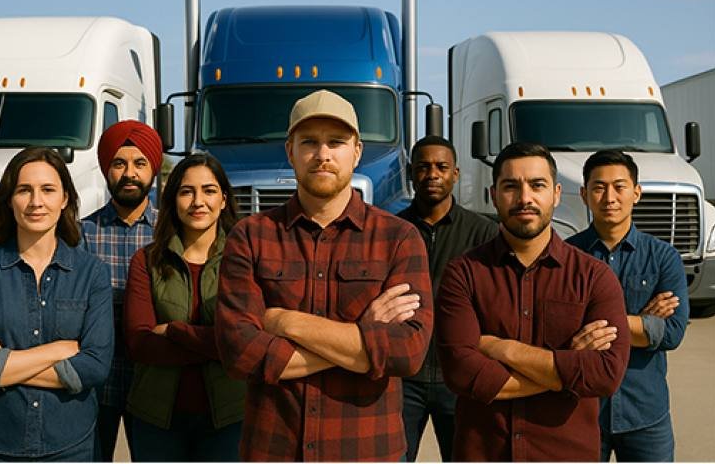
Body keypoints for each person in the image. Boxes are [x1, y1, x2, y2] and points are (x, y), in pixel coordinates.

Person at [216, 89, 433, 461]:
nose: (323, 155)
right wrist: (363, 338)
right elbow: (241, 354)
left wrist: (284, 321)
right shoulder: (251, 236)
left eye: (336, 142)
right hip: (274, 450)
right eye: (310, 142)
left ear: (357, 151)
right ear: (290, 151)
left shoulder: (398, 238)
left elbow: (407, 352)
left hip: (367, 450)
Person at [435, 141, 631, 461]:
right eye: (511, 186)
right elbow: (461, 372)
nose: (525, 198)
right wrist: (568, 369)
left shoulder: (595, 277)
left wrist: (502, 348)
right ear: (493, 195)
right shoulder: (463, 274)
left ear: (555, 194)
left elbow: (605, 374)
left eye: (537, 185)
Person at [0, 146, 114, 461]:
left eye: (48, 190)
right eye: (24, 190)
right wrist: (60, 349)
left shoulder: (92, 272)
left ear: (65, 198)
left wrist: (0, 362)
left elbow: (94, 366)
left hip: (70, 445)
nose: (36, 201)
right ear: (9, 200)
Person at [567, 149, 688, 462]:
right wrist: (641, 321)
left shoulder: (663, 257)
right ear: (584, 194)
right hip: (581, 412)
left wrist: (595, 323)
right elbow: (561, 329)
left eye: (619, 187)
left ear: (636, 192)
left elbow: (672, 333)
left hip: (646, 414)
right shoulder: (566, 257)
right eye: (598, 187)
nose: (610, 197)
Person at [123, 153, 246, 461]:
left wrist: (174, 331)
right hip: (156, 420)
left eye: (209, 190)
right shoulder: (147, 260)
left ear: (223, 199)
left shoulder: (244, 260)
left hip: (230, 418)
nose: (198, 202)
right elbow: (140, 343)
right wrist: (216, 342)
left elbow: (245, 342)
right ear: (172, 199)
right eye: (186, 191)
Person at [397, 135, 499, 461]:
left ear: (456, 174)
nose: (432, 174)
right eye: (423, 167)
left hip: (459, 378)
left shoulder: (484, 234)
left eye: (441, 167)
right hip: (402, 378)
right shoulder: (392, 230)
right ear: (411, 173)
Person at [80, 120, 162, 461]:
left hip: (155, 384)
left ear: (153, 170)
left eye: (140, 163)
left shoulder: (170, 232)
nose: (130, 173)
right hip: (96, 387)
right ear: (106, 170)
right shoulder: (80, 234)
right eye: (119, 163)